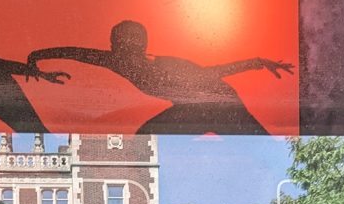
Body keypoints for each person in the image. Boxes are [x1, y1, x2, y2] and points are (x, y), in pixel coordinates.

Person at [29, 20, 292, 135]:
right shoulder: (116, 60)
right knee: (147, 132)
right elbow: (75, 52)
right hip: (191, 107)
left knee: (254, 134)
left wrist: (257, 62)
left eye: (127, 47)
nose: (121, 51)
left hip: (219, 102)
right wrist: (35, 56)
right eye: (117, 45)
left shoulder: (167, 67)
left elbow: (214, 72)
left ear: (141, 47)